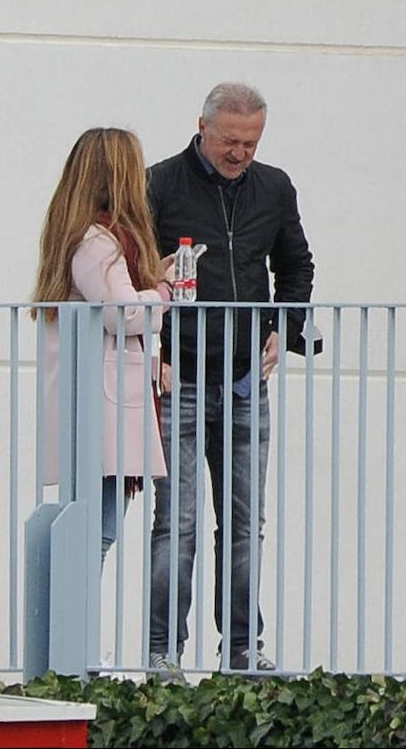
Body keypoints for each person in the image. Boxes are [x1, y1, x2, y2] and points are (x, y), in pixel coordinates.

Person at [148, 82, 315, 674]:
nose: (240, 153)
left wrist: (282, 327)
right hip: (181, 379)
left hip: (246, 380)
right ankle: (162, 650)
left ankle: (242, 649)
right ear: (201, 127)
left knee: (246, 524)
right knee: (178, 521)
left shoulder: (274, 187)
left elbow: (296, 265)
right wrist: (154, 351)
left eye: (251, 142)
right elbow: (139, 273)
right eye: (229, 141)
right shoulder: (159, 183)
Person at [32, 127, 175, 566]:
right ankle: (74, 630)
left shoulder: (84, 237)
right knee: (97, 533)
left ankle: (72, 628)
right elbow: (123, 313)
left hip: (100, 401)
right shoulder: (98, 241)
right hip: (103, 407)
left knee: (95, 531)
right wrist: (164, 293)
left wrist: (148, 286)